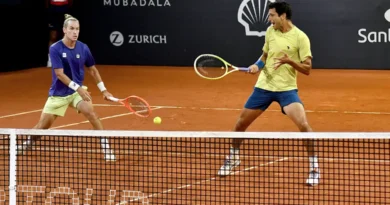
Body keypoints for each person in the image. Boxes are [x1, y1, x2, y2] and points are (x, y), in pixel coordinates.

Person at [217, 1, 320, 186]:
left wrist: (290, 61)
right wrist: (257, 65)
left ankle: (314, 168)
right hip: (264, 87)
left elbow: (307, 69)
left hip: (286, 89)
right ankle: (233, 158)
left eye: (272, 15)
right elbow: (265, 56)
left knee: (304, 126)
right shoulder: (270, 31)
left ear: (283, 16)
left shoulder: (301, 37)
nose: (269, 18)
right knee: (240, 125)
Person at [18, 14, 116, 161]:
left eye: (77, 29)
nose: (75, 32)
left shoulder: (83, 48)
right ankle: (28, 143)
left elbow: (93, 70)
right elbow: (59, 74)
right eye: (71, 29)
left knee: (92, 113)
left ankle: (105, 146)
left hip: (77, 92)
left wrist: (104, 90)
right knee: (41, 128)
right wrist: (79, 89)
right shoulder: (55, 48)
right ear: (64, 30)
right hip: (59, 93)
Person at [47, 0, 73, 67]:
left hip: (65, 7)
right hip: (53, 8)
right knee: (53, 36)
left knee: (65, 35)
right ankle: (51, 60)